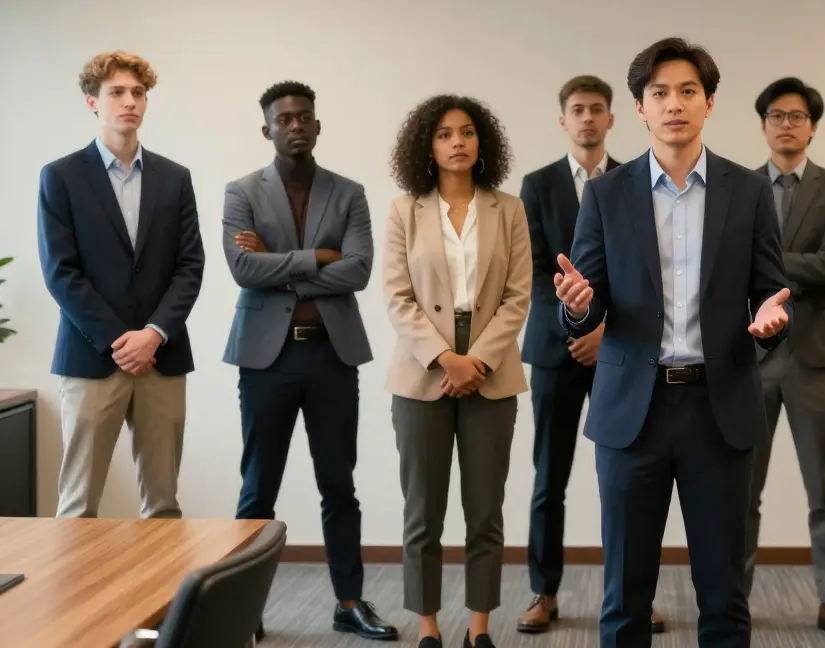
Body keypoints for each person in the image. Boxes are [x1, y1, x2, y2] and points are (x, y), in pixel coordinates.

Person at [555, 36, 793, 648]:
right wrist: (580, 310)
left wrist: (772, 320)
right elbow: (589, 296)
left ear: (709, 102)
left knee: (724, 596)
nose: (674, 103)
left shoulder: (748, 191)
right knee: (624, 596)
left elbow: (771, 291)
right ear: (639, 107)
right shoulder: (607, 194)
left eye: (688, 91)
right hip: (635, 412)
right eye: (659, 93)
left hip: (721, 412)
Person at [222, 81, 397, 642]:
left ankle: (349, 602)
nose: (295, 125)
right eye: (284, 119)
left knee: (339, 486)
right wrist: (319, 258)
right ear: (267, 129)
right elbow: (242, 270)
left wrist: (278, 261)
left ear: (317, 126)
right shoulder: (242, 191)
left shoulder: (348, 193)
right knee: (258, 490)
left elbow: (360, 270)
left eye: (304, 117)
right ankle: (240, 609)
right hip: (266, 359)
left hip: (331, 357)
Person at [517, 75, 665, 635]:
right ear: (563, 120)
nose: (586, 118)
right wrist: (575, 332)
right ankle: (542, 590)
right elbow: (534, 275)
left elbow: (642, 276)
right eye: (576, 110)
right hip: (556, 354)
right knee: (548, 477)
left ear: (612, 119)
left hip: (622, 352)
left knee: (630, 482)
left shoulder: (636, 181)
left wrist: (606, 335)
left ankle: (633, 595)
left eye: (596, 110)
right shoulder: (537, 184)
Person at [383, 94, 532, 648]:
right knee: (423, 511)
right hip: (423, 370)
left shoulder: (509, 209)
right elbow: (398, 297)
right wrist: (445, 357)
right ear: (428, 144)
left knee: (485, 510)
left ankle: (478, 628)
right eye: (445, 134)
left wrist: (479, 359)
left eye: (467, 132)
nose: (457, 142)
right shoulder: (404, 210)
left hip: (491, 368)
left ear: (482, 142)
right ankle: (426, 628)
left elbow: (518, 296)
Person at [37, 50, 204, 520]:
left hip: (162, 357)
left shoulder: (175, 178)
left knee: (165, 505)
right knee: (78, 505)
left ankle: (168, 597)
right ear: (93, 101)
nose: (129, 101)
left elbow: (190, 266)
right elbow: (60, 271)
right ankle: (73, 598)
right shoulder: (61, 177)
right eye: (116, 92)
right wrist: (119, 339)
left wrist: (153, 334)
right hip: (91, 358)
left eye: (138, 92)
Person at [743, 77, 825, 643]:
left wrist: (761, 265)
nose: (786, 124)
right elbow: (723, 268)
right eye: (776, 115)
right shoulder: (738, 187)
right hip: (749, 355)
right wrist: (787, 265)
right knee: (742, 486)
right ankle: (733, 598)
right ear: (764, 124)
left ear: (812, 126)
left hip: (813, 355)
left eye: (797, 116)